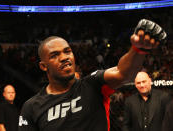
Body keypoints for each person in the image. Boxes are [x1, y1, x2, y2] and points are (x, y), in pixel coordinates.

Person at [18, 19, 167, 131]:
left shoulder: (93, 84)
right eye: (55, 55)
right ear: (43, 66)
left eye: (67, 51)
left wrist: (138, 49)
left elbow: (123, 73)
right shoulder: (31, 107)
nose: (64, 57)